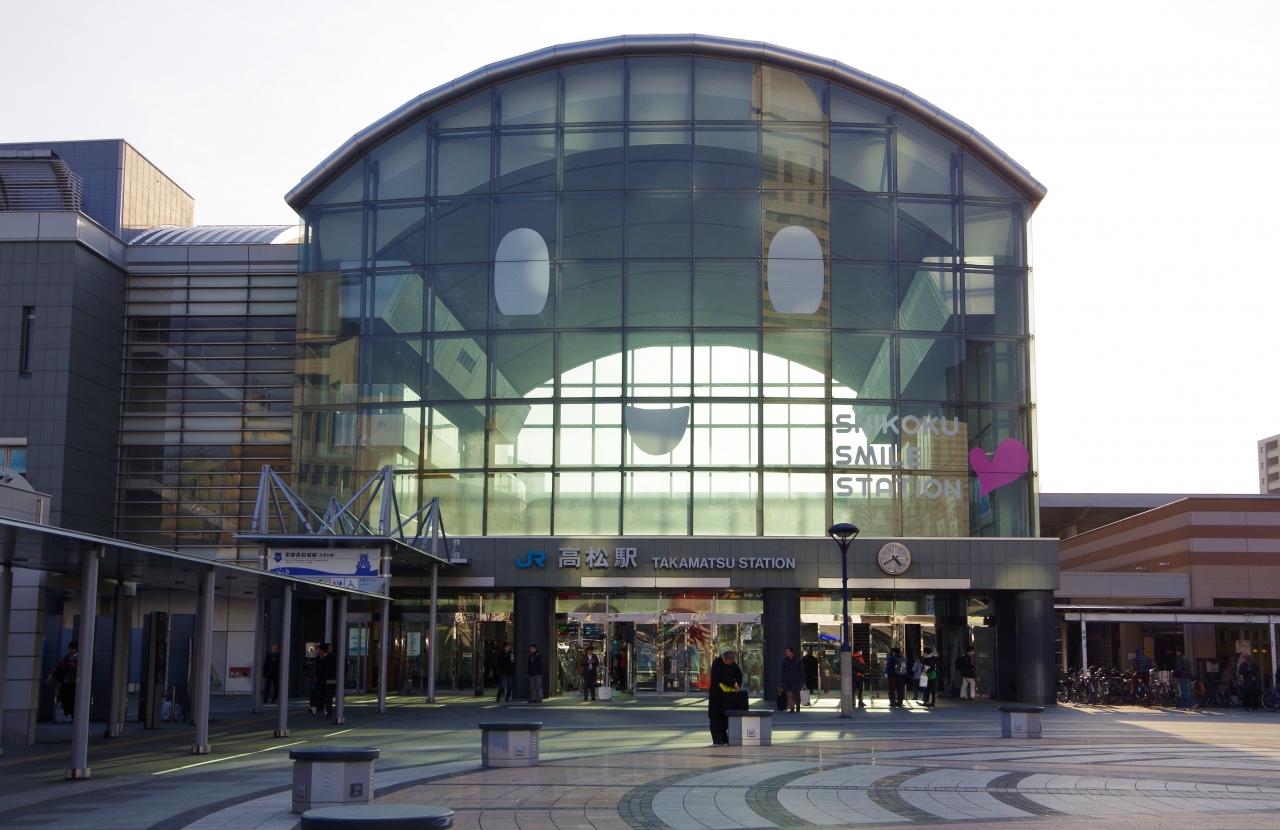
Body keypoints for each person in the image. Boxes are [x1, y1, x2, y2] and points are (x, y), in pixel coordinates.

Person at [708, 650, 744, 746]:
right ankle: (717, 739)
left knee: (725, 717)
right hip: (717, 696)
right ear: (725, 659)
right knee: (716, 718)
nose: (730, 664)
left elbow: (739, 673)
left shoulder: (732, 664)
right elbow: (723, 677)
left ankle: (724, 737)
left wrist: (738, 685)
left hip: (727, 697)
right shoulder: (717, 664)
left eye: (731, 662)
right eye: (729, 662)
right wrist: (734, 684)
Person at [48, 641, 79, 722]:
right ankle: (67, 714)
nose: (72, 650)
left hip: (73, 682)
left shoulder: (78, 658)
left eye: (73, 649)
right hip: (66, 681)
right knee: (64, 697)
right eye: (71, 648)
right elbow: (59, 666)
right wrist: (51, 675)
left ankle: (70, 714)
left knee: (71, 698)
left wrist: (73, 665)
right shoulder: (67, 657)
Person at [309, 643, 330, 716]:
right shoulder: (317, 658)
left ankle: (322, 708)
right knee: (314, 694)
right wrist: (313, 676)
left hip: (327, 679)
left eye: (318, 650)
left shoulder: (329, 658)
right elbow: (315, 668)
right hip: (319, 679)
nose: (317, 651)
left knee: (324, 694)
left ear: (322, 650)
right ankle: (314, 708)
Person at [780, 646, 802, 713]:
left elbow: (801, 672)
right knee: (789, 696)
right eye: (786, 651)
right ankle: (792, 709)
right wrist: (782, 682)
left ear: (791, 652)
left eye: (787, 651)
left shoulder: (798, 660)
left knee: (797, 696)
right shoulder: (784, 661)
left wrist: (803, 682)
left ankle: (798, 707)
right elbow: (782, 672)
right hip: (788, 682)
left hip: (797, 681)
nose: (786, 653)